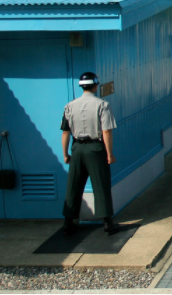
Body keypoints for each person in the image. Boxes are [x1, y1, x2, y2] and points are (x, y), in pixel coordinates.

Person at [61, 72, 119, 235]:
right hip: (95, 148)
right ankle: (107, 222)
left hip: (77, 148)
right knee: (101, 184)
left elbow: (66, 132)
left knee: (74, 184)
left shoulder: (70, 106)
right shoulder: (103, 105)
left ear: (81, 86)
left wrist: (66, 154)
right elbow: (106, 131)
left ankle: (68, 221)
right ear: (95, 85)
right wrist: (109, 154)